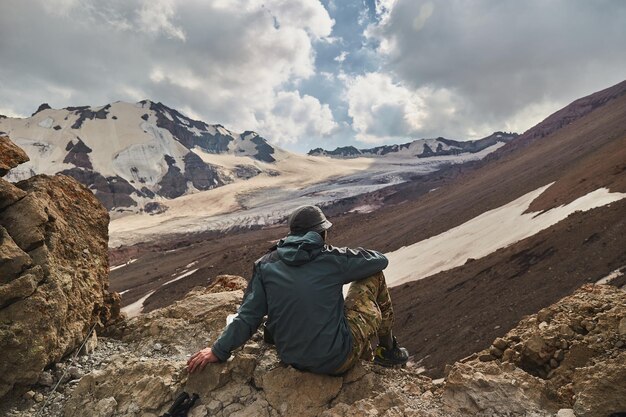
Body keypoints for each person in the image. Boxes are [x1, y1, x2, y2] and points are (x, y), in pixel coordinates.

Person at [187, 205, 409, 374]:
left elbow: (248, 317)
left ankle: (369, 351)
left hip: (292, 358)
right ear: (321, 233)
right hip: (336, 360)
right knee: (374, 276)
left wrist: (218, 350)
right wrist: (338, 253)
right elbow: (379, 261)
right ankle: (387, 349)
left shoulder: (265, 264)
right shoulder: (332, 259)